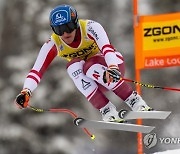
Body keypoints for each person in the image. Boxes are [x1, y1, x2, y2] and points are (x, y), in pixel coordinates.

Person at [15, 4, 153, 122]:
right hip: (94, 80)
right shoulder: (53, 43)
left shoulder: (90, 27)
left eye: (68, 26)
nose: (65, 34)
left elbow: (107, 48)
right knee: (72, 67)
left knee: (90, 66)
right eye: (59, 30)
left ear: (75, 22)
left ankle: (134, 101)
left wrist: (112, 67)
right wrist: (26, 91)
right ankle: (106, 109)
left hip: (112, 67)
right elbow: (36, 71)